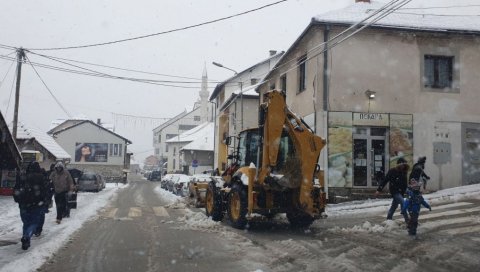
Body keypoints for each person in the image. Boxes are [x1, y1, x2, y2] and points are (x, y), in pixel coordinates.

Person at [13, 161, 49, 250]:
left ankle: (26, 240)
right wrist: (44, 201)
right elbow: (45, 191)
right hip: (36, 204)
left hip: (23, 204)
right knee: (34, 223)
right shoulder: (41, 177)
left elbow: (16, 189)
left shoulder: (22, 177)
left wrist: (18, 199)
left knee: (26, 223)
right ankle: (27, 236)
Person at [375, 157, 410, 223]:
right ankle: (407, 220)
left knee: (394, 206)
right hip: (395, 191)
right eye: (402, 165)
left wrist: (407, 190)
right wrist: (378, 190)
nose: (403, 166)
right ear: (399, 165)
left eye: (404, 165)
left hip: (401, 192)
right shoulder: (392, 171)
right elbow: (385, 180)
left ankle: (389, 219)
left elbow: (405, 183)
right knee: (403, 203)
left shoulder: (404, 172)